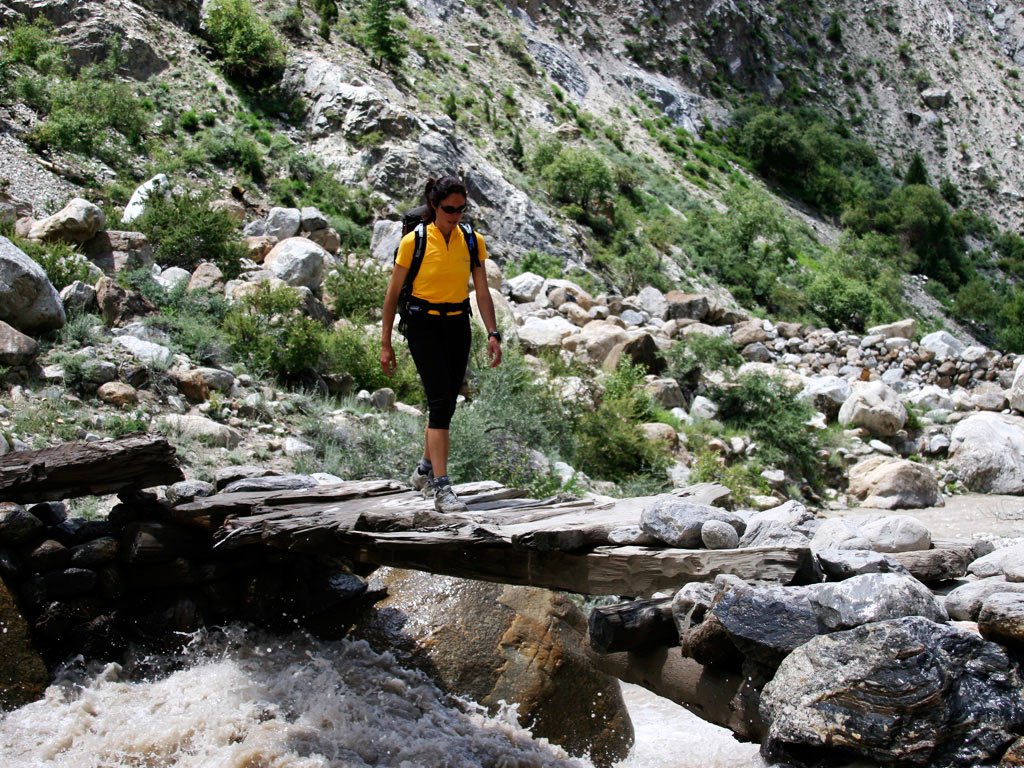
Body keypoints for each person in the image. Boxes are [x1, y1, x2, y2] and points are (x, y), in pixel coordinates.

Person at [380, 176, 503, 513]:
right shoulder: (414, 241)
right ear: (434, 205)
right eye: (450, 209)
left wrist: (493, 333)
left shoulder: (471, 240)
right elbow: (392, 296)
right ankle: (441, 487)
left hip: (457, 324)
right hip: (422, 324)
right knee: (439, 402)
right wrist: (386, 342)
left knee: (447, 403)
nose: (456, 215)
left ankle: (423, 470)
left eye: (462, 209)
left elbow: (481, 290)